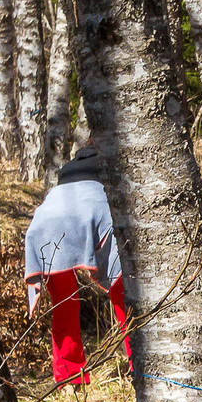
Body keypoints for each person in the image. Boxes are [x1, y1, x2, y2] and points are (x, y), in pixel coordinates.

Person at [24, 149, 129, 386]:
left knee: (63, 302)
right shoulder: (116, 160)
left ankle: (70, 377)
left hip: (44, 226)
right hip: (91, 215)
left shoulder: (68, 169)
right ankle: (140, 366)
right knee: (122, 292)